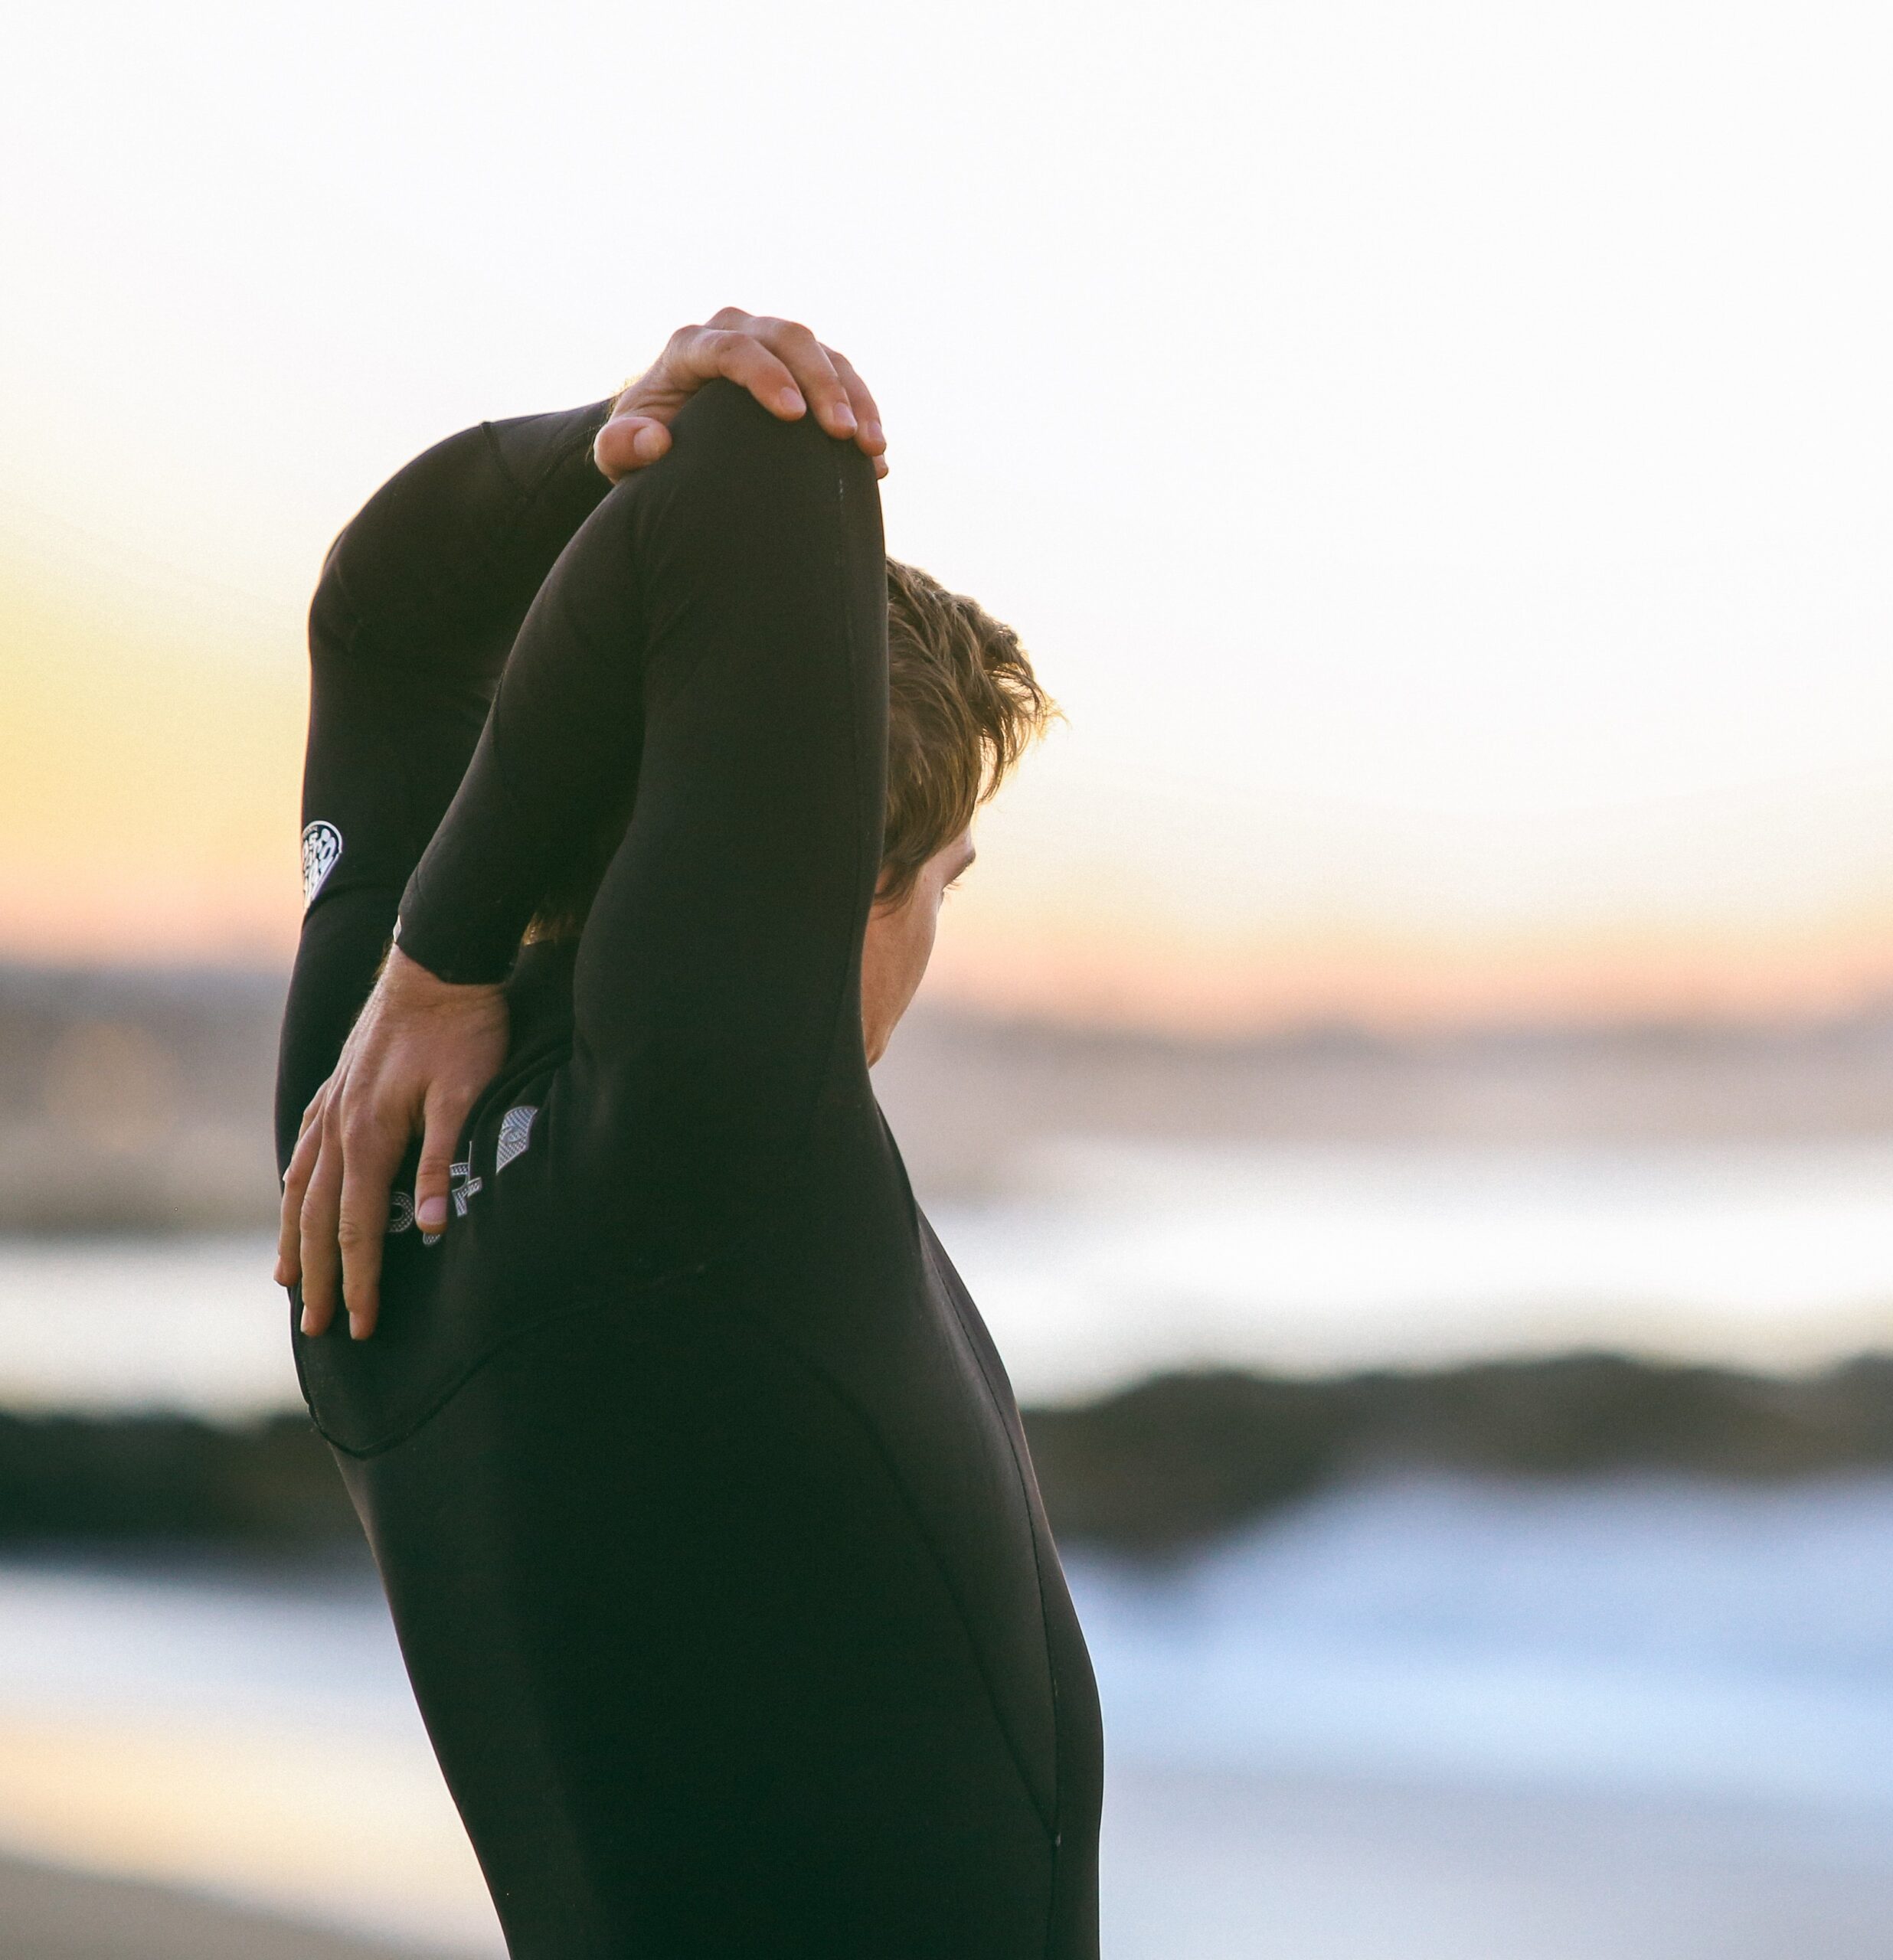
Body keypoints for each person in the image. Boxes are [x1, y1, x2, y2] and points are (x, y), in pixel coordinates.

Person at [273, 312, 1101, 1958]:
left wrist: (434, 961)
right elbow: (769, 461)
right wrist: (437, 955)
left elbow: (383, 606)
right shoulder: (707, 1144)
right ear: (808, 874)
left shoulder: (357, 1165)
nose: (932, 941)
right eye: (940, 885)